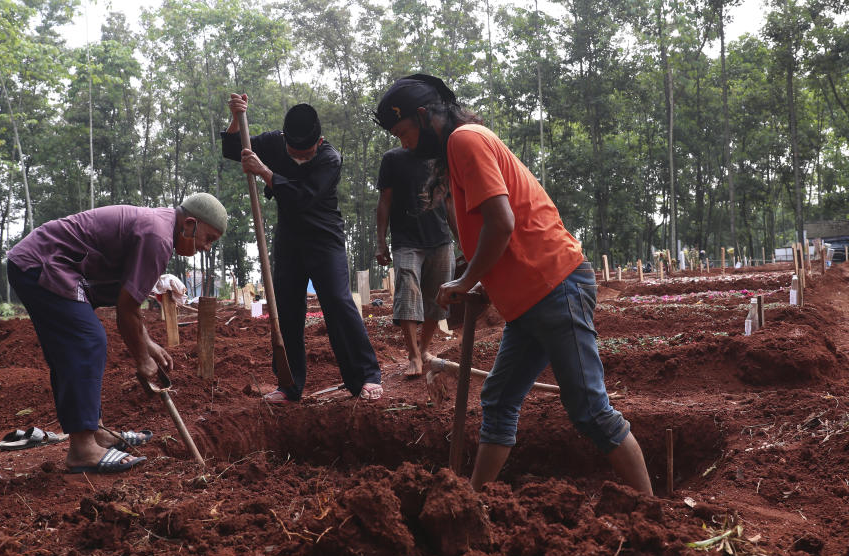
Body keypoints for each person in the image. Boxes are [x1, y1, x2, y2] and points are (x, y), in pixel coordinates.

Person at [374, 74, 653, 494]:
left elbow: (502, 223)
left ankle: (652, 513)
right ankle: (471, 499)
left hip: (554, 285)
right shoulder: (458, 151)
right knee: (500, 400)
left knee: (590, 411)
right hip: (528, 301)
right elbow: (505, 230)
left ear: (424, 116)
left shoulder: (466, 140)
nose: (405, 144)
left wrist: (468, 278)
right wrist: (485, 283)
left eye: (405, 133)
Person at [6, 194, 227, 473]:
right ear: (190, 224)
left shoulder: (160, 230)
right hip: (43, 263)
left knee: (78, 346)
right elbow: (126, 310)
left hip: (53, 265)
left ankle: (94, 433)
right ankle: (83, 449)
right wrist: (143, 359)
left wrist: (147, 343)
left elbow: (127, 297)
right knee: (87, 341)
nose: (206, 248)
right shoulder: (158, 237)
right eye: (208, 238)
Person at [222, 94, 382, 403]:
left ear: (319, 142)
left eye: (305, 154)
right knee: (287, 310)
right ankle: (289, 385)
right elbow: (233, 148)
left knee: (337, 301)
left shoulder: (330, 159)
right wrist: (235, 116)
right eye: (293, 153)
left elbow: (302, 197)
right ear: (285, 141)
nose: (298, 159)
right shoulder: (274, 143)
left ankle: (365, 376)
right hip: (290, 240)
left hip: (325, 239)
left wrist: (265, 173)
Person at [375, 148, 457, 376]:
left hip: (440, 239)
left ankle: (424, 350)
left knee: (439, 296)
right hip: (406, 240)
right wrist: (381, 242)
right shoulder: (392, 159)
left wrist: (462, 240)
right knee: (408, 293)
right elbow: (384, 201)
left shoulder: (440, 156)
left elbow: (449, 203)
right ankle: (413, 355)